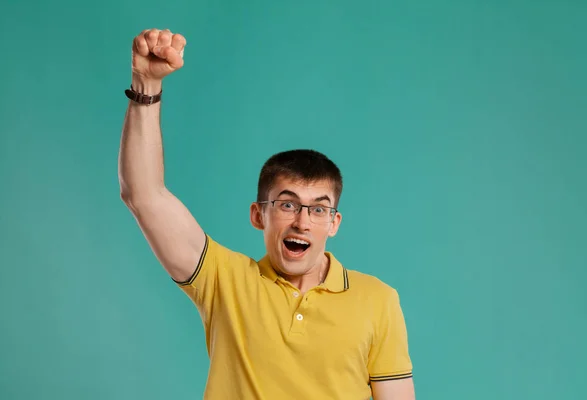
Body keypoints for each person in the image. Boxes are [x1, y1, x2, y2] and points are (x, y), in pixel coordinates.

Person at [119, 28, 416, 400]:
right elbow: (144, 195)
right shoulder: (224, 281)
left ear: (334, 223)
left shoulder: (378, 299)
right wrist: (145, 84)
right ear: (259, 215)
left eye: (319, 209)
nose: (302, 221)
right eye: (288, 204)